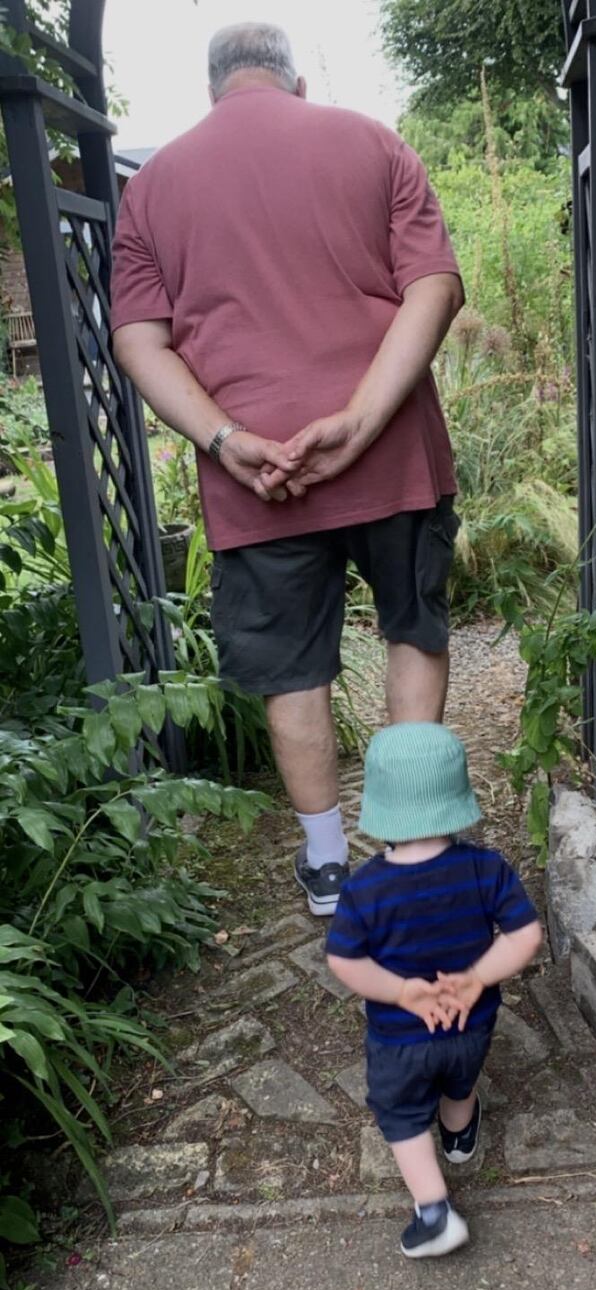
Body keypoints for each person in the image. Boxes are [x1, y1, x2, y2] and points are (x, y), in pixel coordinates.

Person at [111, 23, 464, 917]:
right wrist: (362, 419)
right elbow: (435, 286)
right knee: (410, 631)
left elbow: (137, 339)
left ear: (213, 90)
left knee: (292, 673)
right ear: (294, 83)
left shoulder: (153, 187)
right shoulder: (373, 141)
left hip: (258, 479)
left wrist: (226, 440)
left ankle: (326, 864)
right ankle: (413, 843)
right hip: (394, 460)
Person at [326, 723, 543, 1258]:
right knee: (459, 1081)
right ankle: (460, 1136)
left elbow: (343, 960)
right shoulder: (486, 869)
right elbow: (525, 935)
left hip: (401, 1036)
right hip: (471, 1019)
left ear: (379, 812)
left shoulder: (363, 888)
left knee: (400, 1115)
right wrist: (476, 978)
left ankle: (434, 1211)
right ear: (458, 800)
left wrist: (402, 992)